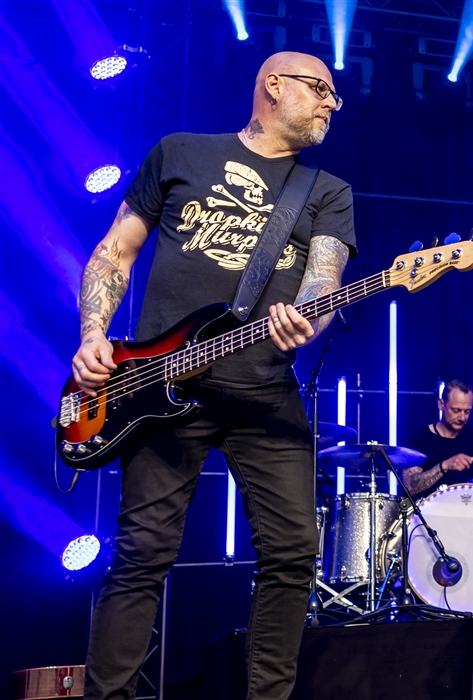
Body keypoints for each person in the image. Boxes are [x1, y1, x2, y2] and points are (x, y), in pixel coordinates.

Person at [70, 52, 355, 699]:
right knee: (142, 554)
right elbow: (115, 251)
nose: (331, 103)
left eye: (335, 96)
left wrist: (305, 317)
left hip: (264, 388)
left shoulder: (327, 192)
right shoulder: (179, 153)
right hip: (156, 382)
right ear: (273, 86)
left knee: (292, 552)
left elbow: (325, 280)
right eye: (320, 90)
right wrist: (93, 336)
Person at [402, 379, 473, 501]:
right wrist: (445, 466)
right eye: (456, 410)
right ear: (441, 404)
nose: (462, 417)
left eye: (467, 412)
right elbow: (410, 487)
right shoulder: (418, 437)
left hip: (468, 511)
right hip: (428, 515)